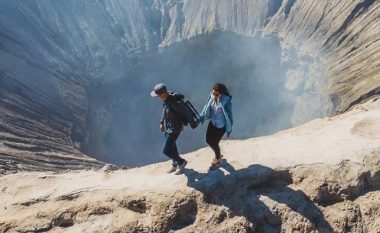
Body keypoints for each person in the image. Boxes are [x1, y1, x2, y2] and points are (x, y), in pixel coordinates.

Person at [151, 83, 196, 175]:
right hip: (168, 127)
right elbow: (164, 111)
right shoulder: (166, 100)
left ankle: (181, 162)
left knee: (166, 150)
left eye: (158, 95)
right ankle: (175, 164)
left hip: (175, 129)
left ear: (163, 93)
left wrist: (193, 124)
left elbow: (186, 113)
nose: (158, 97)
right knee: (172, 147)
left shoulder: (175, 103)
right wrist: (161, 122)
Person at [199, 83, 233, 171]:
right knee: (208, 140)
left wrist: (229, 128)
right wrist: (201, 117)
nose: (214, 96)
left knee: (214, 143)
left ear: (221, 93)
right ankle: (218, 155)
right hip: (213, 122)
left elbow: (229, 115)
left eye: (216, 94)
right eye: (213, 93)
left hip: (221, 126)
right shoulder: (212, 97)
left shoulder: (226, 101)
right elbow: (206, 107)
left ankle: (218, 159)